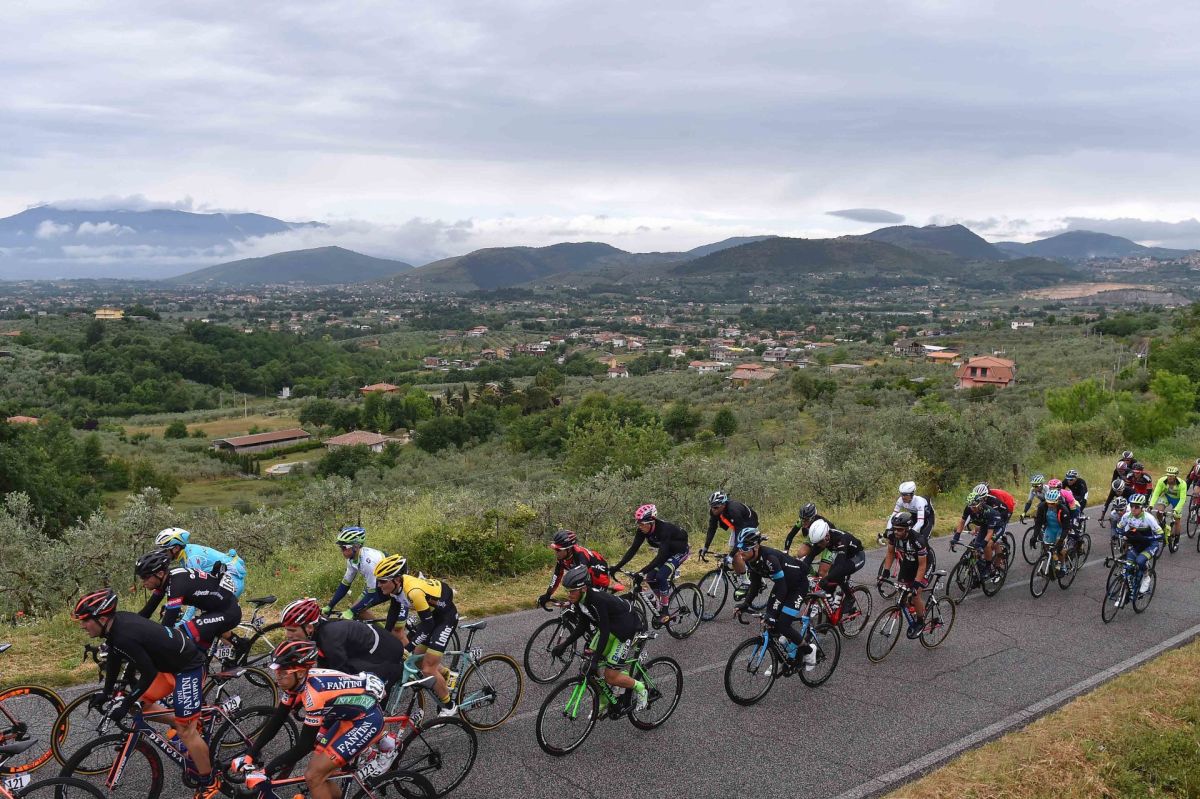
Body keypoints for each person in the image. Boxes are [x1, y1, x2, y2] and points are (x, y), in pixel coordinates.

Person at [73, 588, 218, 799]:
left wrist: (125, 702)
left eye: (85, 621)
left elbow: (148, 673)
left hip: (188, 668)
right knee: (138, 707)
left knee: (186, 731)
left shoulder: (123, 635)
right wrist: (107, 693)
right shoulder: (115, 627)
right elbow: (114, 659)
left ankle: (209, 781)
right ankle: (183, 721)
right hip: (168, 667)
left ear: (102, 618)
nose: (83, 626)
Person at [247, 640, 387, 799]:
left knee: (314, 776)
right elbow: (277, 719)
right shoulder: (295, 683)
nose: (277, 676)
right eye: (276, 670)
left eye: (283, 672)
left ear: (300, 673)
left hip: (367, 720)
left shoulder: (314, 695)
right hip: (348, 718)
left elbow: (304, 746)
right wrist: (250, 754)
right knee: (320, 772)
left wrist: (266, 772)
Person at [551, 565, 650, 710]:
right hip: (610, 627)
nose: (569, 594)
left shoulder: (597, 600)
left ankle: (640, 687)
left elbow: (604, 631)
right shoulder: (579, 599)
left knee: (610, 676)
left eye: (572, 591)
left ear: (583, 588)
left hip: (625, 629)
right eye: (568, 590)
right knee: (588, 667)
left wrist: (596, 660)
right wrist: (564, 645)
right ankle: (605, 698)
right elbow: (582, 626)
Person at [373, 555, 460, 717]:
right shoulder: (396, 588)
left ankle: (450, 706)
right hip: (432, 615)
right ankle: (445, 675)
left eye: (383, 581)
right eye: (378, 580)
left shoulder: (413, 592)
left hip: (445, 617)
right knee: (417, 660)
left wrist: (408, 647)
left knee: (428, 668)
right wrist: (384, 638)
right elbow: (392, 616)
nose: (379, 585)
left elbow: (428, 626)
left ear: (396, 580)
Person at [278, 597, 407, 699]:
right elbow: (322, 666)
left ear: (309, 627)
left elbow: (340, 676)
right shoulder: (319, 632)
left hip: (386, 652)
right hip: (368, 647)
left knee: (360, 698)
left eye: (292, 630)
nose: (288, 635)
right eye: (287, 630)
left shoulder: (329, 638)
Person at [734, 529, 818, 670]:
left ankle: (809, 650)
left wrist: (772, 614)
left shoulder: (769, 558)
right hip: (783, 584)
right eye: (739, 548)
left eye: (745, 548)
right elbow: (755, 584)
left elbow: (782, 588)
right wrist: (745, 604)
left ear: (756, 547)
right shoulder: (750, 560)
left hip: (798, 586)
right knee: (770, 623)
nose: (741, 552)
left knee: (782, 624)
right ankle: (782, 656)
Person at [136, 549, 242, 653]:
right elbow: (146, 612)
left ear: (159, 574)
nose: (143, 582)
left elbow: (168, 625)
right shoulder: (166, 579)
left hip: (228, 611)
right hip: (214, 611)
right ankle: (240, 645)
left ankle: (240, 646)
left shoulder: (177, 584)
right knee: (198, 653)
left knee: (182, 633)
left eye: (145, 577)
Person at [613, 504, 690, 622]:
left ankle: (665, 611)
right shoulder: (642, 530)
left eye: (642, 524)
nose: (640, 526)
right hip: (667, 551)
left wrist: (641, 572)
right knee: (650, 578)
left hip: (680, 552)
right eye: (638, 523)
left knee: (661, 576)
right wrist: (617, 567)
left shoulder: (664, 530)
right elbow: (633, 549)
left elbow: (660, 557)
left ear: (651, 522)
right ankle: (661, 601)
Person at [878, 512, 934, 635]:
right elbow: (890, 553)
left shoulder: (917, 540)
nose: (896, 532)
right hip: (908, 562)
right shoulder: (892, 536)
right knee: (902, 589)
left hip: (925, 564)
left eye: (900, 530)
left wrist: (916, 584)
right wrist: (886, 571)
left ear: (908, 529)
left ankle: (920, 622)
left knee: (915, 593)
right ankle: (912, 607)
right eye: (895, 529)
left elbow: (922, 565)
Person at [798, 518, 866, 615]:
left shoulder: (840, 539)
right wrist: (800, 572)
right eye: (816, 543)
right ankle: (833, 609)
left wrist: (826, 578)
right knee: (829, 583)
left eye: (820, 542)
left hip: (857, 556)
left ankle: (850, 597)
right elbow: (810, 557)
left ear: (827, 536)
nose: (818, 545)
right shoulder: (822, 540)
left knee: (837, 574)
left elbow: (840, 567)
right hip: (844, 555)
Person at [537, 529, 615, 609]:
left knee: (588, 605)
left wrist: (573, 601)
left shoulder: (580, 555)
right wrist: (548, 594)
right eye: (555, 549)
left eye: (558, 550)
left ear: (568, 549)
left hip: (599, 578)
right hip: (589, 578)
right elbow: (557, 576)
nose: (556, 552)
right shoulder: (562, 557)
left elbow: (583, 581)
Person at [324, 527, 389, 620]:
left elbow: (372, 594)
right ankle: (379, 629)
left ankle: (386, 630)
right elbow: (345, 585)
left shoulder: (368, 562)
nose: (342, 551)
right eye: (341, 547)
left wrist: (351, 611)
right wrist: (330, 606)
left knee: (357, 611)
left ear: (356, 546)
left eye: (344, 547)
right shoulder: (352, 559)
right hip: (377, 584)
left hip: (392, 585)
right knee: (357, 610)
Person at [700, 491, 757, 587]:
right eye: (712, 507)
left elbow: (739, 536)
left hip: (748, 525)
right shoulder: (714, 511)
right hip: (737, 526)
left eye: (716, 507)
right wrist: (706, 547)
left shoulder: (733, 510)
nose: (713, 510)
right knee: (733, 550)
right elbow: (712, 529)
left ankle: (746, 581)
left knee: (736, 552)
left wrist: (731, 555)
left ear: (723, 504)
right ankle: (744, 568)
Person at [1115, 494, 1163, 595]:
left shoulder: (1149, 518)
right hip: (1137, 544)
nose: (1133, 508)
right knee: (1128, 566)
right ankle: (1130, 586)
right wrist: (1123, 534)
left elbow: (1160, 535)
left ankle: (1146, 577)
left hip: (1150, 544)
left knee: (1140, 561)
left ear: (1142, 507)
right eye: (1131, 505)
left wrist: (1146, 538)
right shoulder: (1127, 516)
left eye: (1137, 506)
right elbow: (1118, 528)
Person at [952, 487, 1009, 571]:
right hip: (985, 525)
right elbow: (962, 521)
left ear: (980, 504)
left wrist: (983, 545)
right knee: (976, 547)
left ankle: (988, 567)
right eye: (971, 507)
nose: (972, 509)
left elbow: (990, 532)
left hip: (998, 527)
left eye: (974, 507)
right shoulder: (969, 508)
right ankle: (980, 566)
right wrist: (956, 537)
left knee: (988, 545)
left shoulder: (989, 512)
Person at [1032, 489, 1075, 574]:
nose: (1050, 505)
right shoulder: (1042, 506)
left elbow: (1066, 528)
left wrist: (1061, 540)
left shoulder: (1064, 510)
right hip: (1050, 528)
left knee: (1060, 549)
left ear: (1057, 501)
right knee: (1047, 547)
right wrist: (1034, 536)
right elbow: (1038, 523)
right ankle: (1054, 560)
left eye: (1052, 503)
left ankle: (1063, 566)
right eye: (1048, 502)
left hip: (1061, 529)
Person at [1149, 466, 1187, 537]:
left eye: (1171, 476)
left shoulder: (1182, 484)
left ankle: (1176, 538)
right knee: (1159, 511)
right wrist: (1151, 505)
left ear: (1175, 476)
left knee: (1177, 520)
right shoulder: (1161, 481)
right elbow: (1156, 494)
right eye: (1168, 475)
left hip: (1177, 500)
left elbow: (1182, 499)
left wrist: (1176, 510)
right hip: (1166, 497)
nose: (1169, 477)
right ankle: (1163, 526)